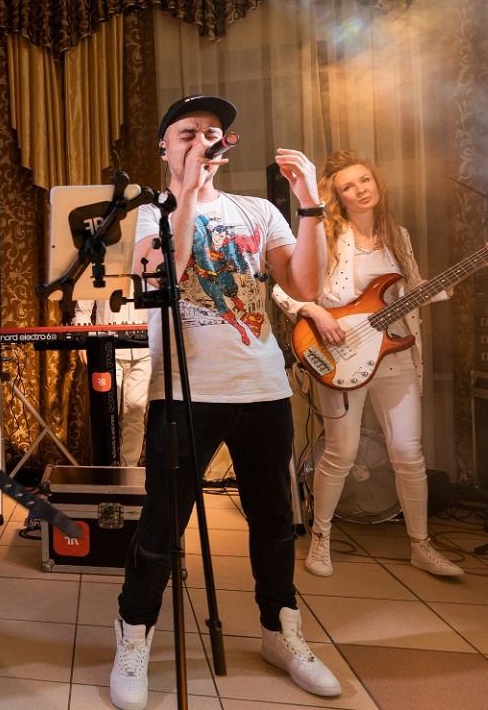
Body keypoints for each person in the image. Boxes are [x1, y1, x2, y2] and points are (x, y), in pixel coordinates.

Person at [110, 95, 341, 710]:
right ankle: (134, 632)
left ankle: (280, 631)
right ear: (164, 147)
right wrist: (186, 192)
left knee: (273, 521)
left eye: (213, 132)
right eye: (188, 132)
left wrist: (310, 202)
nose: (204, 140)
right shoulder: (147, 213)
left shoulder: (258, 210)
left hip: (262, 387)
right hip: (185, 392)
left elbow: (306, 285)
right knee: (161, 524)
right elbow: (163, 276)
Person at [273, 151, 488, 578]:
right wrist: (315, 312)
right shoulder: (325, 233)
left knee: (408, 453)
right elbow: (283, 288)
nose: (360, 190)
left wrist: (479, 264)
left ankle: (421, 545)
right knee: (341, 452)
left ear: (377, 182)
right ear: (338, 196)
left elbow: (416, 291)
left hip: (394, 354)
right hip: (338, 354)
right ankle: (321, 539)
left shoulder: (397, 236)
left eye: (365, 180)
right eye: (348, 186)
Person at [71, 298, 151, 466]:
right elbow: (83, 309)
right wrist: (83, 340)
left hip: (144, 350)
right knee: (105, 415)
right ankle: (105, 468)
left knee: (135, 414)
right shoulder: (97, 277)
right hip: (107, 348)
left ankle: (128, 468)